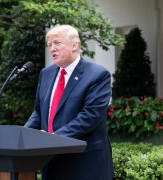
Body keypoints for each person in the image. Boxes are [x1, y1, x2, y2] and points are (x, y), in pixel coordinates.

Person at [24, 25, 114, 180]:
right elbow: (39, 112)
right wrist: (23, 135)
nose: (52, 49)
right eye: (49, 45)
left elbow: (90, 116)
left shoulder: (98, 75)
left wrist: (52, 139)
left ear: (75, 45)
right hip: (51, 163)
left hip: (84, 164)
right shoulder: (46, 74)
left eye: (57, 43)